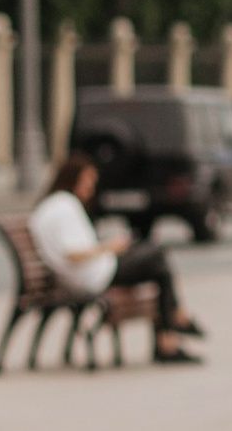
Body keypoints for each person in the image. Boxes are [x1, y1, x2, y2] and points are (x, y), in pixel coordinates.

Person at [28, 152, 205, 364]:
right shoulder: (65, 205)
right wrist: (108, 247)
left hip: (87, 272)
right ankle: (173, 326)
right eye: (88, 182)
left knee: (157, 263)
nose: (90, 189)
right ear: (72, 177)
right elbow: (72, 253)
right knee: (157, 257)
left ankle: (172, 328)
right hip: (93, 275)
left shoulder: (52, 205)